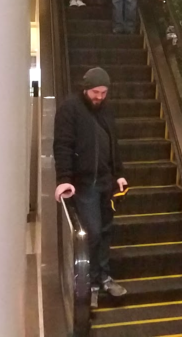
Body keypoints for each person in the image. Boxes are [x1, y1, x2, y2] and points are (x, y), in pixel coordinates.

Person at [53, 67, 128, 309]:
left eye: (104, 93)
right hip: (84, 184)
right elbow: (63, 145)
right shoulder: (70, 108)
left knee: (105, 231)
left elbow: (113, 143)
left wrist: (119, 174)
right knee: (93, 233)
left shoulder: (106, 109)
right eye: (96, 92)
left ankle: (103, 277)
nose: (99, 97)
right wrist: (64, 178)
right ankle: (91, 284)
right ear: (85, 88)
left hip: (106, 181)